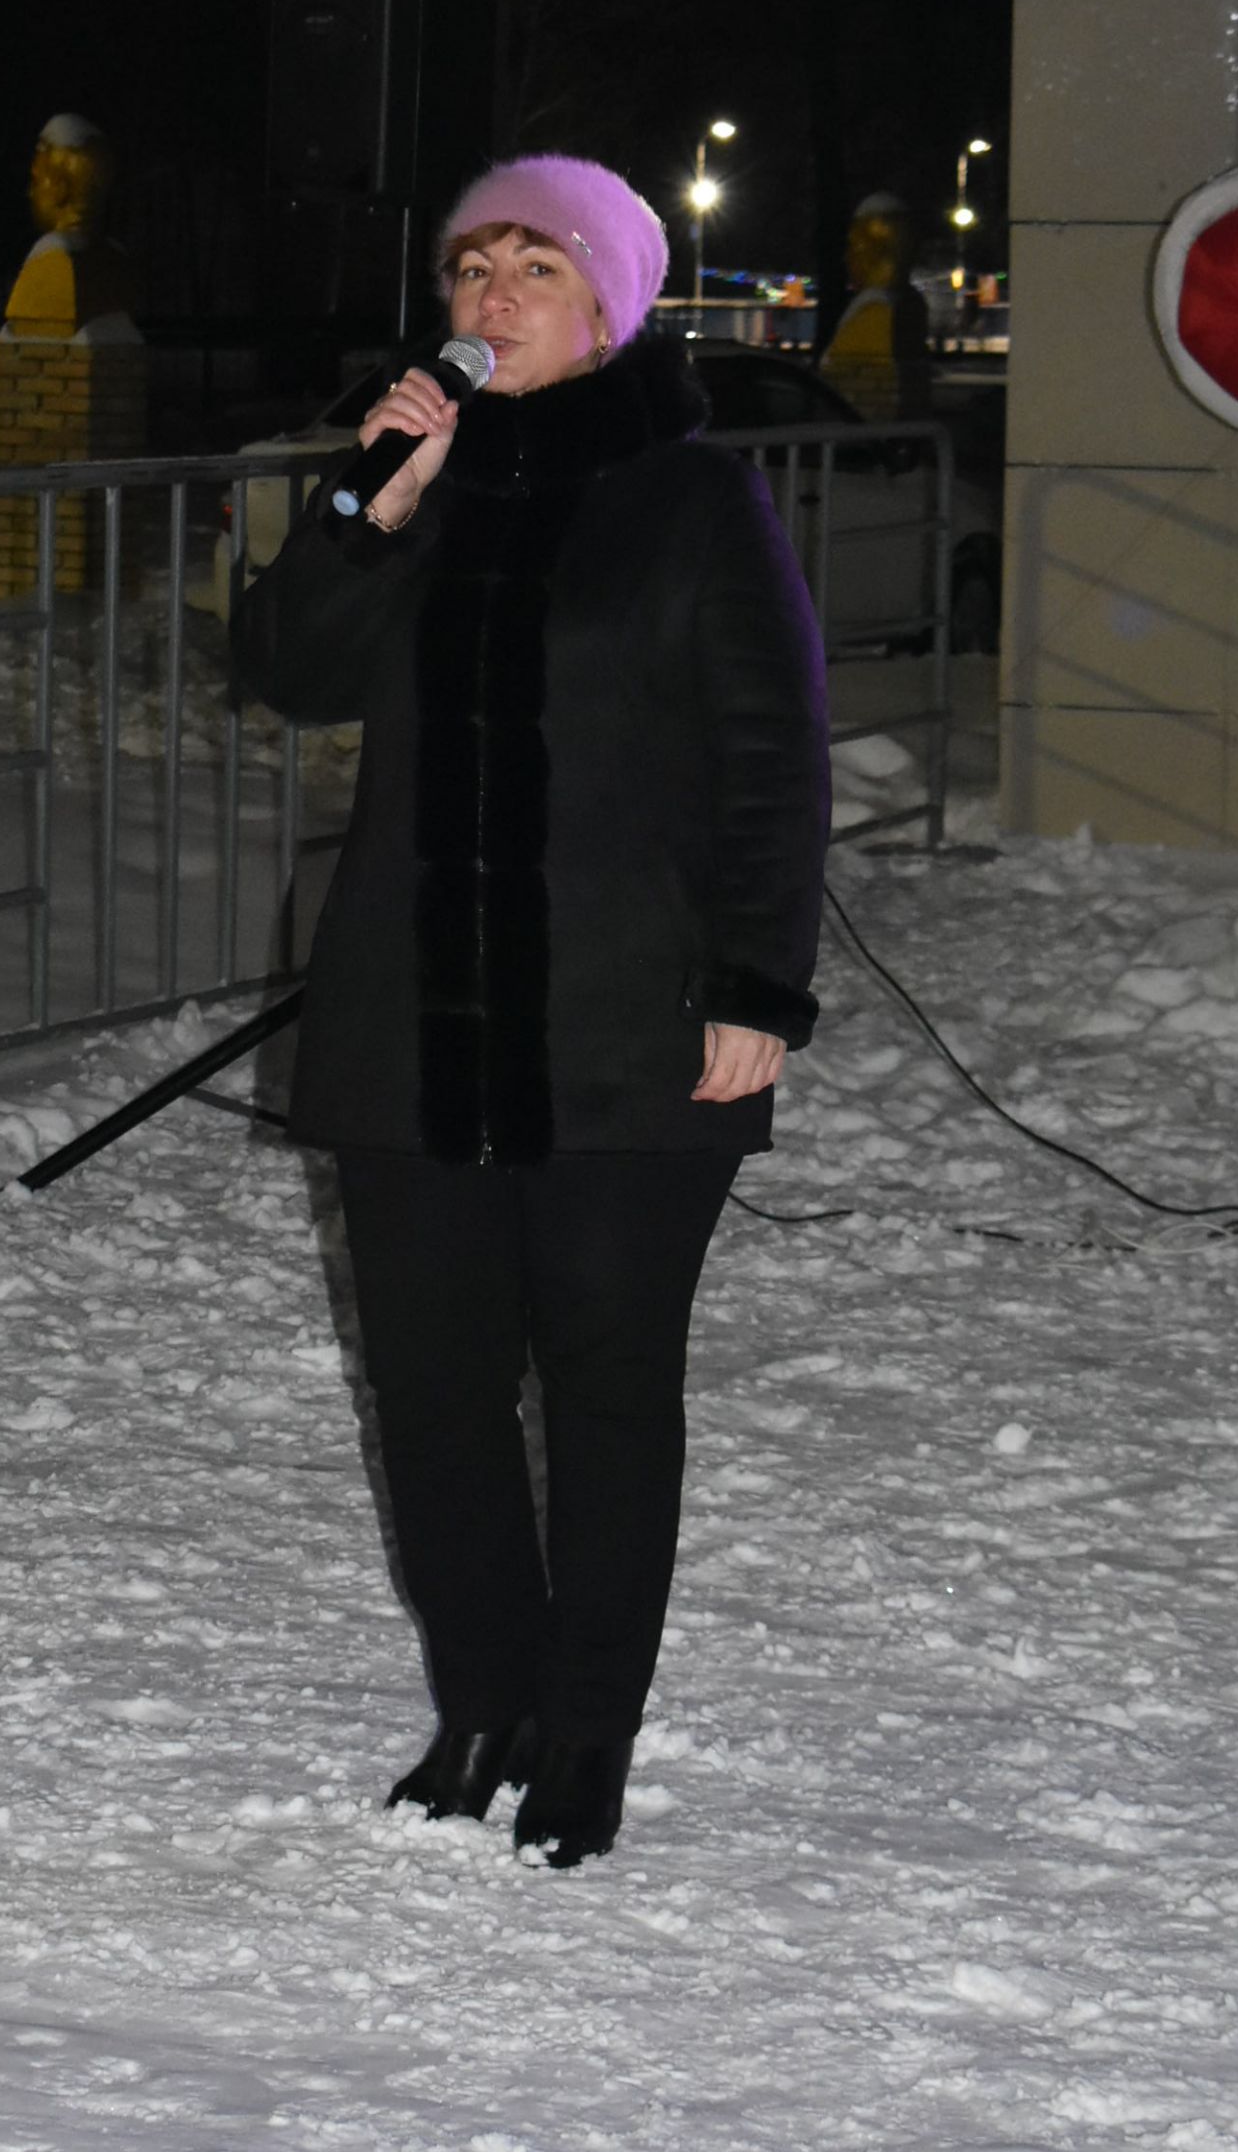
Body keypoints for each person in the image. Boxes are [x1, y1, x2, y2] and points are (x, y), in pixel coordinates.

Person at [233, 156, 828, 1867]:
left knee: (607, 1381)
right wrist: (375, 504)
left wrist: (756, 987)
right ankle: (481, 1700)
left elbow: (770, 764)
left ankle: (586, 1730)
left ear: (614, 302)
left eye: (534, 268)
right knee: (432, 1386)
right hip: (414, 1013)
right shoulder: (417, 479)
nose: (491, 300)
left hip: (631, 1022)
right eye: (470, 269)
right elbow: (290, 670)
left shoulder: (693, 500)